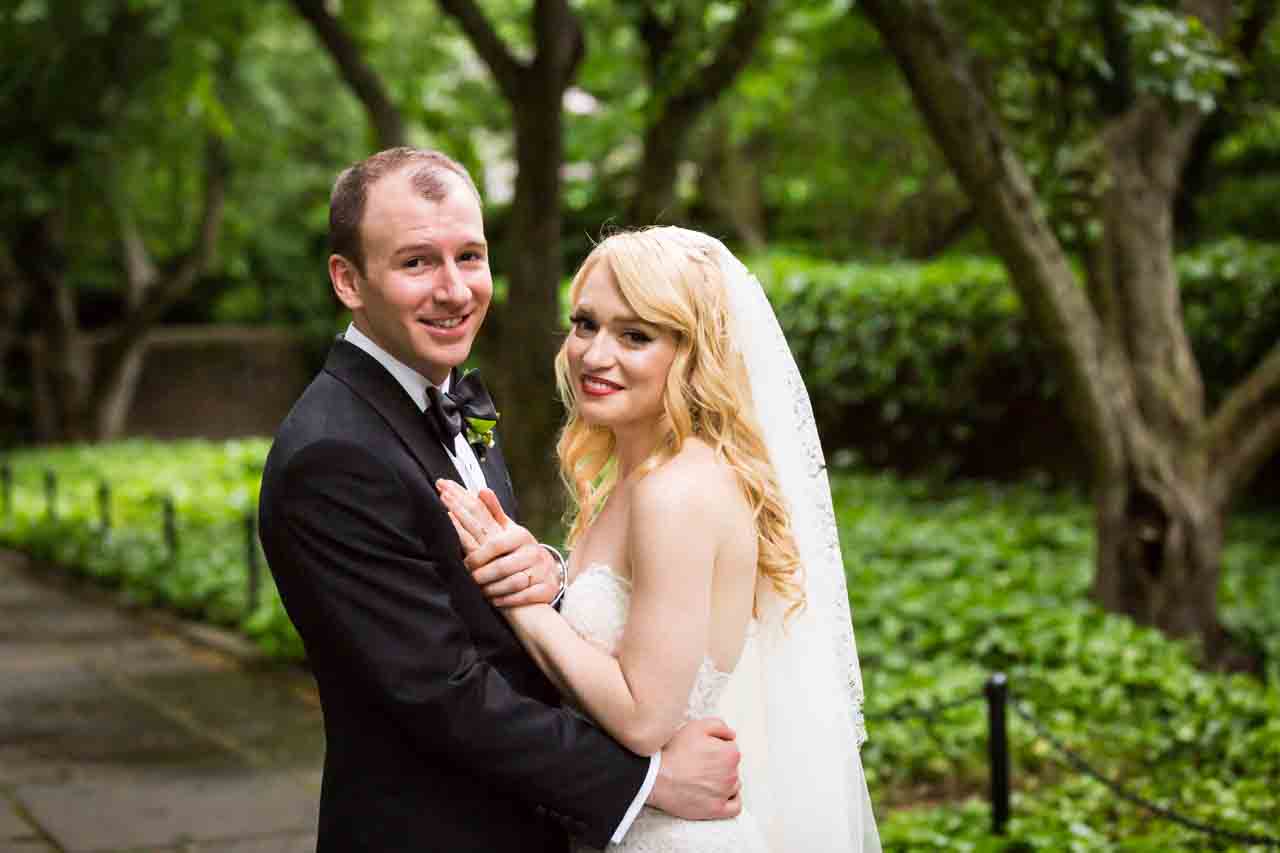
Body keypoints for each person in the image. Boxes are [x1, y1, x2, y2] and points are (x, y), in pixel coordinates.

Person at [257, 149, 743, 853]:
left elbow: (471, 589)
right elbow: (442, 691)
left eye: (471, 256)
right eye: (417, 262)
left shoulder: (443, 395)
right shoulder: (333, 455)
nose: (455, 290)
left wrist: (546, 575)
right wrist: (647, 780)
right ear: (348, 279)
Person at [439, 227, 880, 851]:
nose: (594, 355)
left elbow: (645, 718)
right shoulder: (644, 477)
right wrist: (550, 574)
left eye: (636, 336)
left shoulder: (676, 493)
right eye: (585, 324)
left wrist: (522, 606)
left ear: (693, 354)